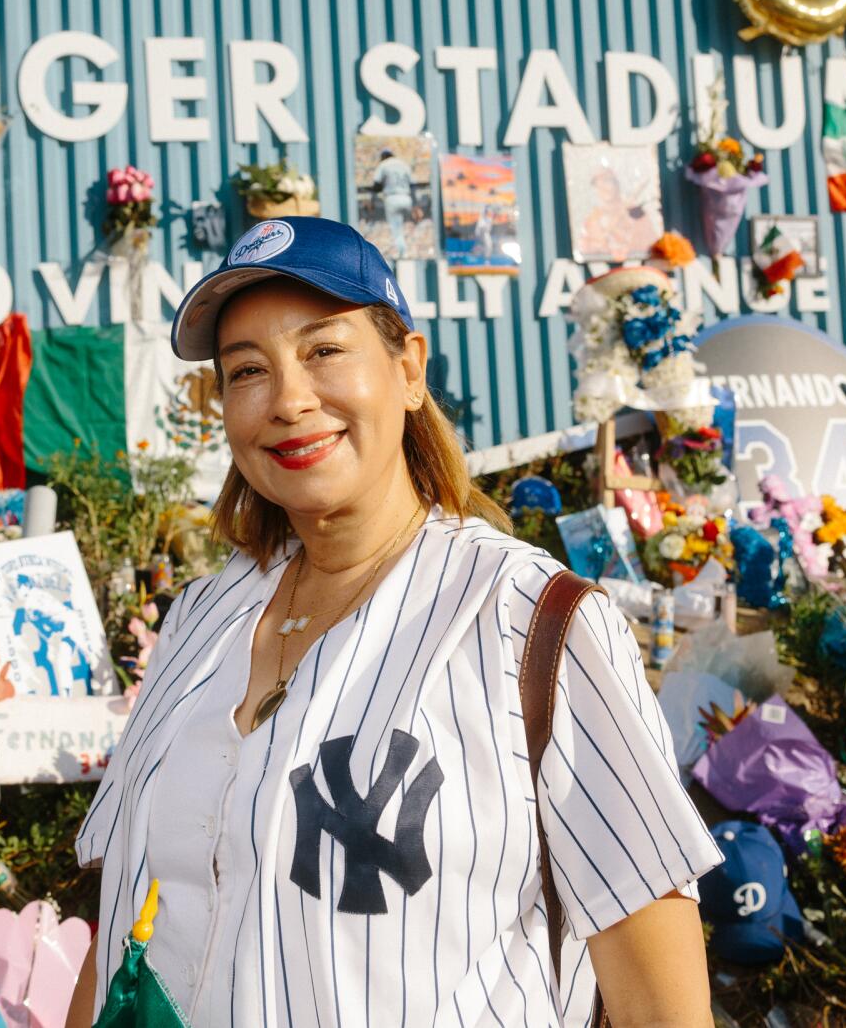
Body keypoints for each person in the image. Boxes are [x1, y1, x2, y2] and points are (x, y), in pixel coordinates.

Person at [68, 217, 720, 1028]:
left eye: (324, 350)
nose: (289, 401)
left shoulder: (534, 624)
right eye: (247, 371)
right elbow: (122, 926)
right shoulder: (202, 620)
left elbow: (662, 1004)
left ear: (408, 369)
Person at [577, 164, 654, 262]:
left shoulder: (635, 212)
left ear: (616, 185)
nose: (603, 188)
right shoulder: (593, 219)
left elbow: (649, 242)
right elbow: (585, 248)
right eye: (599, 185)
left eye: (607, 182)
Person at [371, 147, 416, 257]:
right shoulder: (404, 164)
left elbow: (376, 186)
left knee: (397, 230)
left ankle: (402, 254)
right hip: (407, 197)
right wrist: (415, 204)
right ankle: (411, 250)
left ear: (383, 157)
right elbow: (413, 185)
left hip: (392, 198)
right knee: (410, 227)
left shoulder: (384, 164)